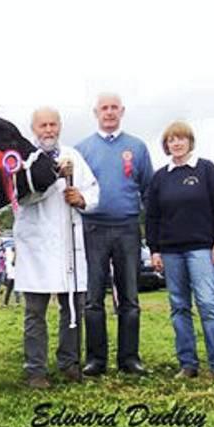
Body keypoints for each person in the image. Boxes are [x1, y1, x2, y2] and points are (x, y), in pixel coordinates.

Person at [14, 107, 100, 388]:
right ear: (33, 128)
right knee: (35, 311)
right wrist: (51, 176)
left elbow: (93, 190)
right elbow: (21, 197)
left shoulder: (73, 156)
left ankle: (70, 363)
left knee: (73, 307)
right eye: (43, 126)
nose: (48, 130)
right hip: (36, 245)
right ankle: (35, 369)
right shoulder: (23, 160)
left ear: (60, 126)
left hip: (67, 243)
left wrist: (81, 198)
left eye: (52, 125)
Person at [75, 93, 153, 376]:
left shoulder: (137, 147)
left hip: (128, 229)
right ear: (95, 112)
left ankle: (129, 358)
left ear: (122, 111)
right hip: (92, 228)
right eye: (104, 108)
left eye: (114, 108)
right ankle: (96, 359)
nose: (109, 113)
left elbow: (148, 189)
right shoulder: (81, 149)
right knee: (94, 298)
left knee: (130, 298)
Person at [146, 121, 214, 379]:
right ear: (166, 145)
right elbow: (152, 216)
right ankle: (188, 364)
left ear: (190, 141)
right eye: (172, 140)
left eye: (181, 138)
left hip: (202, 249)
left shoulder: (206, 169)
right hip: (171, 251)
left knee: (208, 304)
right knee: (179, 307)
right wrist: (155, 250)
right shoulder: (160, 177)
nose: (177, 143)